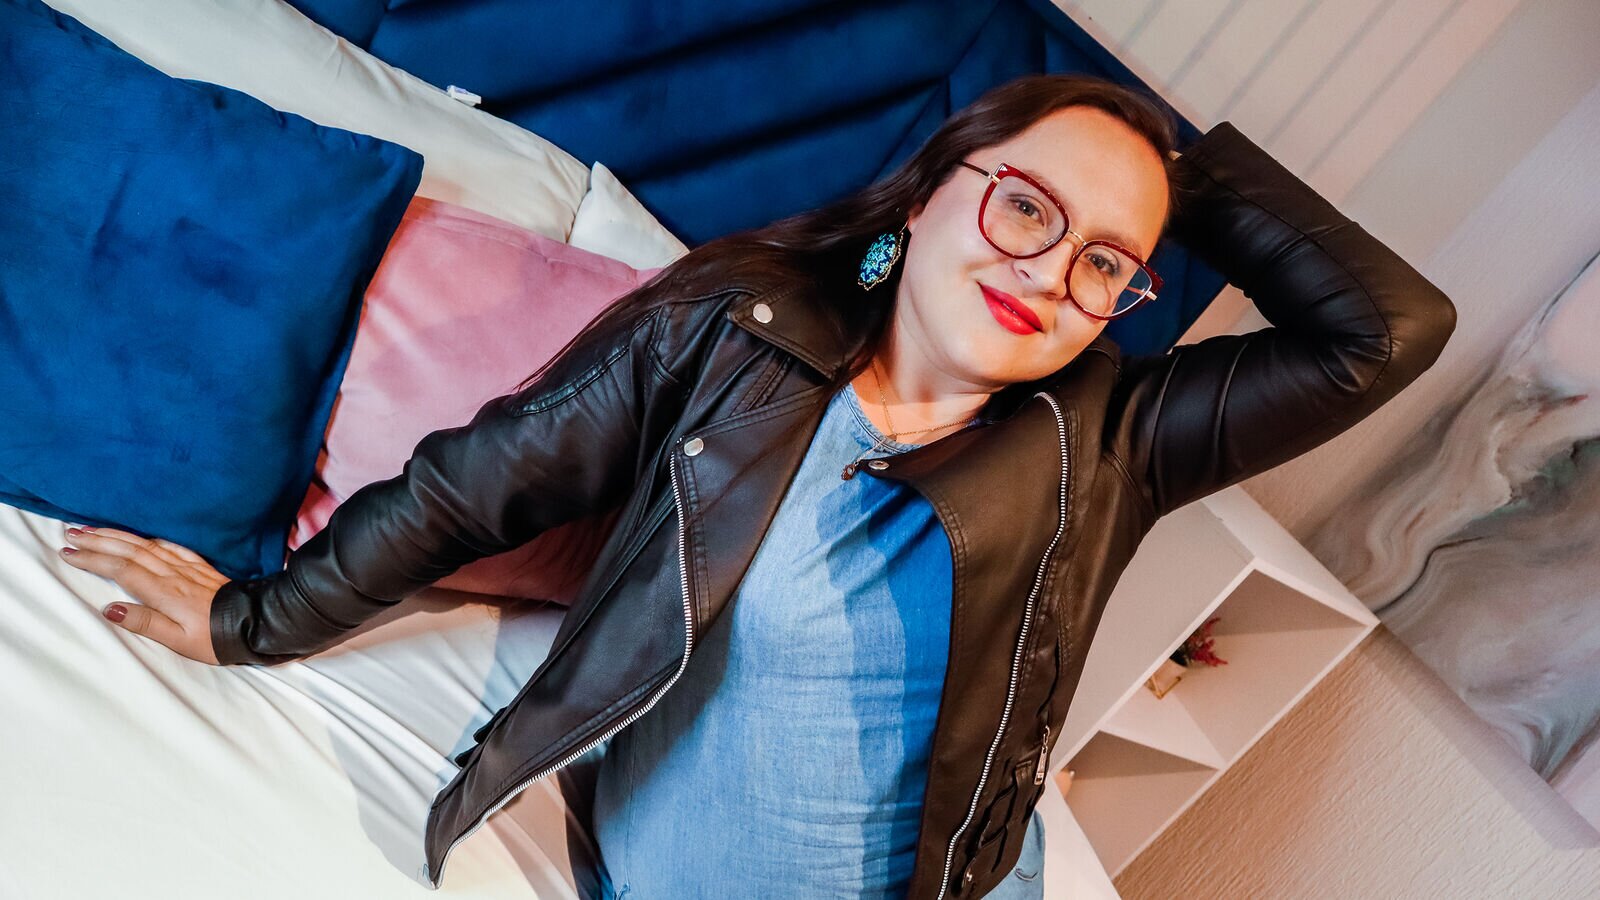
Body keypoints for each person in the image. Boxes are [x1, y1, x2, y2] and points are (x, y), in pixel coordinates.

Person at [59, 74, 1457, 899]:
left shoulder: (1112, 435)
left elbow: (1388, 331)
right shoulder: (734, 331)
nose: (1047, 272)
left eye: (1104, 262)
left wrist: (1164, 168)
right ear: (930, 193)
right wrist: (254, 621)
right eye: (1026, 205)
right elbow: (475, 489)